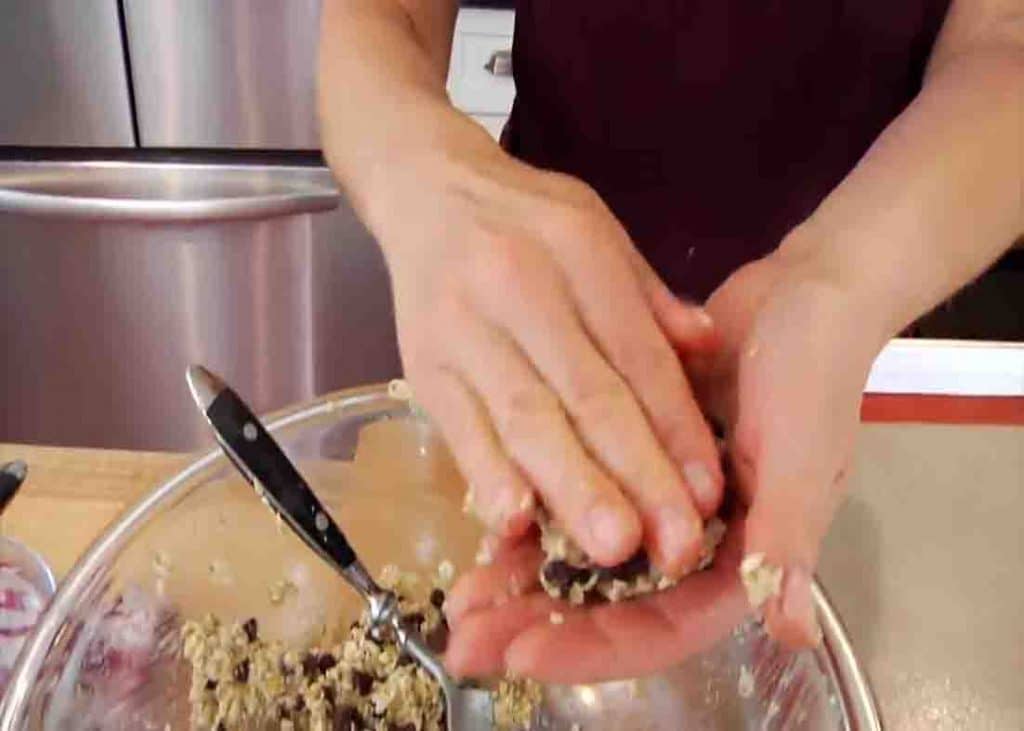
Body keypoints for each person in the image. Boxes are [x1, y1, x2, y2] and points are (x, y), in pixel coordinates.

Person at [318, 0, 1023, 683]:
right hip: (532, 326)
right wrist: (427, 175)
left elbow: (1007, 35)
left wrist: (836, 281)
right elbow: (380, 14)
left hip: (853, 336)